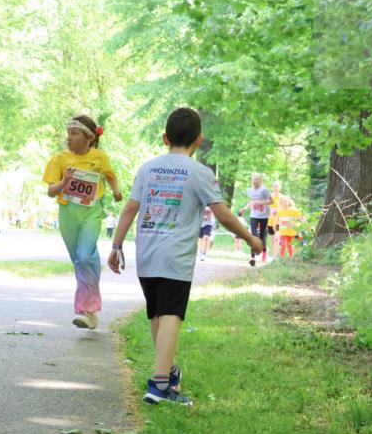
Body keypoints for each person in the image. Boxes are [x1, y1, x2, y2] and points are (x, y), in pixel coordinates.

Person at [108, 107, 263, 406]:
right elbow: (224, 216)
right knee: (171, 315)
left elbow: (129, 208)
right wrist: (250, 237)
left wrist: (116, 246)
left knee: (157, 313)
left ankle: (168, 371)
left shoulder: (148, 168)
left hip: (147, 252)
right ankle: (160, 384)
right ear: (199, 140)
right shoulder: (200, 173)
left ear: (165, 137)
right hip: (175, 255)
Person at [42, 115, 122, 330]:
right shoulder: (59, 158)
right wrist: (64, 181)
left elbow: (110, 175)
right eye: (68, 133)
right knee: (81, 260)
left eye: (74, 134)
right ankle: (91, 311)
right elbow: (51, 191)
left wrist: (115, 190)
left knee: (85, 256)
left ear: (88, 137)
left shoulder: (100, 157)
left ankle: (86, 310)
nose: (69, 138)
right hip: (68, 212)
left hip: (91, 212)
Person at [240, 172, 272, 266]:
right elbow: (251, 201)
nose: (255, 181)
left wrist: (262, 203)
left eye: (257, 179)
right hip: (253, 215)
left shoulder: (264, 190)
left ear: (260, 180)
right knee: (253, 236)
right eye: (254, 179)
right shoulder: (249, 190)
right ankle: (252, 258)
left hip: (264, 216)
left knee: (261, 237)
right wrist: (245, 208)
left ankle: (262, 247)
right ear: (252, 180)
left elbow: (271, 201)